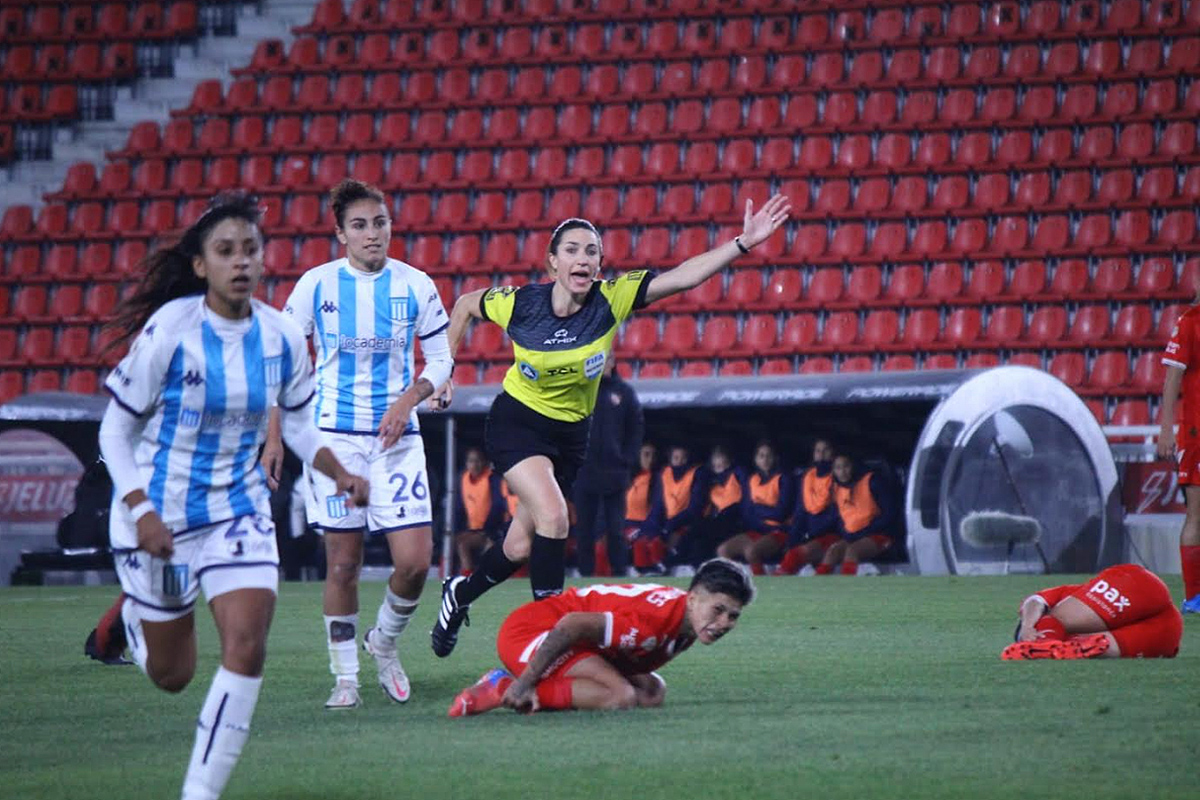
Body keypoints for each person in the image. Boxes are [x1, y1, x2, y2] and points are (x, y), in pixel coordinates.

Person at [88, 194, 369, 800]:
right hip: (158, 517)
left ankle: (200, 792)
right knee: (173, 675)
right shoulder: (171, 331)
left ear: (263, 260)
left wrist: (339, 471)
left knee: (246, 644)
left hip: (238, 511)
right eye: (225, 251)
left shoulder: (281, 335)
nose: (240, 261)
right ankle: (135, 620)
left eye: (249, 250)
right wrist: (141, 509)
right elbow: (114, 430)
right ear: (201, 265)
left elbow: (299, 425)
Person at [430, 196, 791, 657]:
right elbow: (464, 305)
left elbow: (684, 276)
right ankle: (550, 639)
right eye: (572, 250)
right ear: (552, 262)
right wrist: (443, 371)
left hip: (570, 436)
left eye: (592, 251)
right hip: (518, 422)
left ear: (600, 264)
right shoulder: (520, 304)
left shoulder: (611, 299)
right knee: (555, 517)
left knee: (519, 547)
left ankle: (459, 593)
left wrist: (742, 243)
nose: (583, 258)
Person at [269, 178, 453, 709]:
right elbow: (280, 361)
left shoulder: (416, 284)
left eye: (379, 223)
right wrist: (274, 437)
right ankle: (345, 676)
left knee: (414, 562)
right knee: (343, 564)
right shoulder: (316, 285)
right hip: (333, 441)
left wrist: (407, 401)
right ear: (341, 234)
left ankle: (384, 643)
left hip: (398, 439)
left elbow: (441, 360)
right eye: (359, 225)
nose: (372, 233)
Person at [446, 557, 755, 716]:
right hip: (531, 632)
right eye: (718, 610)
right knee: (620, 696)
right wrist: (525, 681)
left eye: (733, 616)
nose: (723, 623)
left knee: (652, 692)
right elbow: (572, 625)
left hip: (575, 640)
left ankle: (534, 686)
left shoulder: (687, 619)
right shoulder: (652, 622)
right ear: (693, 598)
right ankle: (502, 686)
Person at [1001, 563, 1183, 659]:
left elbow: (1034, 600)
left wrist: (1027, 626)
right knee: (1086, 646)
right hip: (1166, 634)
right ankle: (1047, 648)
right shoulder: (1079, 605)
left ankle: (1043, 645)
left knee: (1056, 620)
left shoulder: (1055, 601)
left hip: (1136, 582)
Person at [573, 354, 643, 577]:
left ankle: (620, 574)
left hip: (615, 472)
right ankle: (584, 576)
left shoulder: (624, 392)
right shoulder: (580, 391)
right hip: (585, 472)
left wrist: (626, 459)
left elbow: (635, 429)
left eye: (606, 359)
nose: (602, 364)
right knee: (584, 529)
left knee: (615, 529)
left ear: (613, 362)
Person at [1157, 302, 1200, 612]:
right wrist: (1166, 429)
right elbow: (1173, 378)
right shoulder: (1189, 322)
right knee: (1197, 514)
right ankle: (1194, 597)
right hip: (1197, 432)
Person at [717, 441, 793, 575]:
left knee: (752, 552)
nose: (765, 459)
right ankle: (737, 581)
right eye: (761, 456)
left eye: (769, 455)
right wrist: (764, 511)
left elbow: (780, 513)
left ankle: (761, 584)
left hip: (777, 531)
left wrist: (757, 508)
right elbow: (746, 511)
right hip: (757, 530)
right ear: (756, 459)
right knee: (723, 550)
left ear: (775, 458)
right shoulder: (752, 479)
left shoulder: (783, 478)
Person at [822, 453, 897, 576]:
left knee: (852, 551)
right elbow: (840, 518)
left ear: (853, 466)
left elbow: (890, 514)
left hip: (878, 534)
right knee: (832, 552)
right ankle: (818, 586)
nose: (842, 472)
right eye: (838, 468)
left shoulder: (872, 481)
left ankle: (847, 586)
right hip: (853, 536)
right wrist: (846, 533)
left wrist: (865, 531)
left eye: (846, 466)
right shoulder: (835, 489)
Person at [777, 438, 840, 575]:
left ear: (833, 454)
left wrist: (809, 535)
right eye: (818, 451)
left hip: (832, 535)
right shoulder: (807, 477)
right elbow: (800, 512)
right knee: (790, 553)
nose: (821, 454)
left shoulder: (838, 477)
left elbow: (837, 515)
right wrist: (793, 541)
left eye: (826, 450)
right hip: (811, 536)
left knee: (796, 556)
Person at [642, 444, 703, 575]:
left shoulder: (697, 474)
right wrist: (656, 529)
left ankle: (665, 567)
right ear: (670, 459)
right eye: (676, 458)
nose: (680, 461)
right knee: (648, 539)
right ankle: (650, 570)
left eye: (683, 458)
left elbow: (695, 509)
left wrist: (670, 526)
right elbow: (658, 505)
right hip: (667, 523)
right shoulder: (664, 474)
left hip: (687, 522)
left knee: (680, 539)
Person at [689, 445, 746, 570]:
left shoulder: (737, 474)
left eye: (721, 458)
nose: (719, 462)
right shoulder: (711, 481)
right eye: (716, 459)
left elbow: (745, 499)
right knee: (698, 534)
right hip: (718, 520)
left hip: (736, 519)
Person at [453, 447, 507, 576]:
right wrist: (458, 529)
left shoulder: (493, 479)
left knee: (468, 545)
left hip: (493, 530)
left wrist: (488, 530)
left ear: (485, 462)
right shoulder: (463, 480)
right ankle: (467, 575)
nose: (474, 465)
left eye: (478, 461)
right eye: (471, 461)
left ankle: (478, 576)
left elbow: (498, 507)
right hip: (474, 530)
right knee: (458, 541)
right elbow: (459, 508)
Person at [626, 443, 661, 574]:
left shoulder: (658, 479)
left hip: (645, 526)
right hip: (625, 525)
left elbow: (657, 510)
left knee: (641, 543)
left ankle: (646, 573)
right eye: (646, 455)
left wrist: (643, 530)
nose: (650, 459)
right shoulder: (628, 478)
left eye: (653, 455)